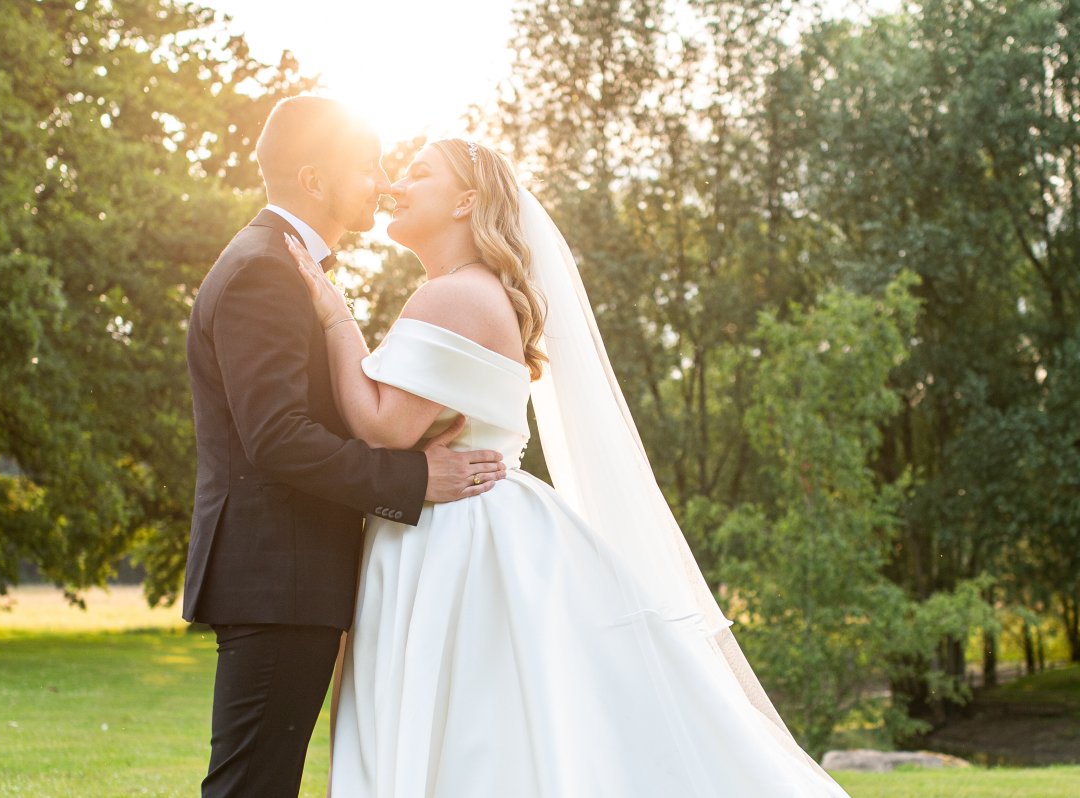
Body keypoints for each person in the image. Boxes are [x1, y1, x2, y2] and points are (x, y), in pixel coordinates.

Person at [285, 138, 852, 797]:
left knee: (471, 734)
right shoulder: (467, 291)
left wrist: (332, 313)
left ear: (467, 201)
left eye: (419, 173)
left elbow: (383, 427)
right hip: (465, 524)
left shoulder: (454, 297)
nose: (395, 184)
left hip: (454, 542)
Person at [183, 99, 507, 798]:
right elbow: (276, 438)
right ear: (315, 180)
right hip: (278, 577)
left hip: (292, 577)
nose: (385, 180)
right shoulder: (265, 270)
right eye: (370, 166)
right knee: (251, 787)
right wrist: (412, 475)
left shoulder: (285, 266)